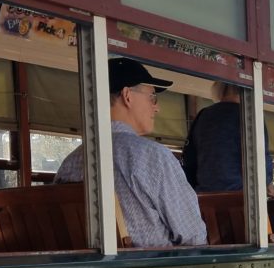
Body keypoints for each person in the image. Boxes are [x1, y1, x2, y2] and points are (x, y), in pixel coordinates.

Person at [55, 57, 206, 247]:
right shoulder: (153, 157)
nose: (157, 108)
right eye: (152, 97)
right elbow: (193, 237)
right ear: (127, 96)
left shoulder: (69, 163)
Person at [183, 81, 274, 196]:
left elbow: (189, 159)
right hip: (241, 198)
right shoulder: (251, 116)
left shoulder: (203, 115)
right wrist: (268, 185)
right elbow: (262, 160)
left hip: (204, 198)